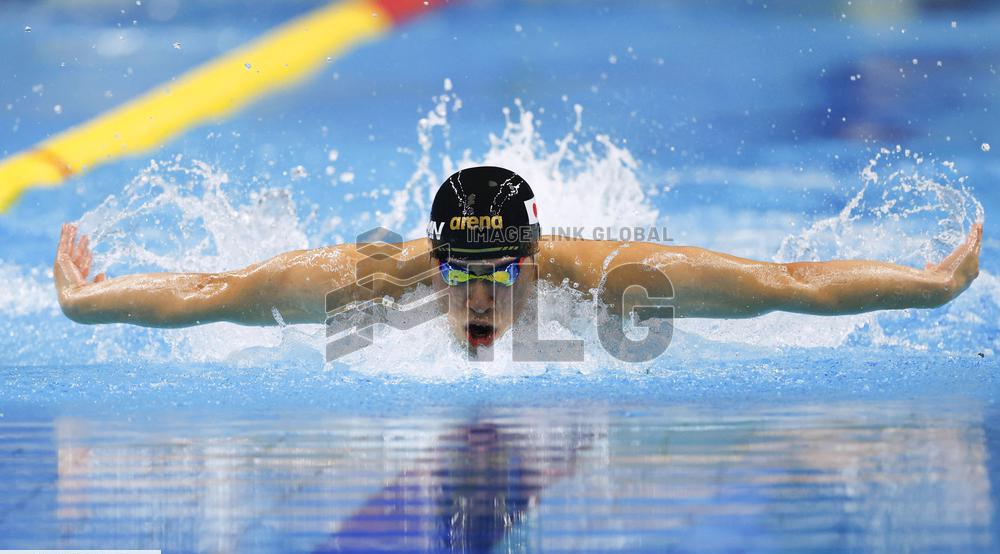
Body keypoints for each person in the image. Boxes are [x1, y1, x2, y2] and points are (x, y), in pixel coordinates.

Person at [54, 166, 983, 350]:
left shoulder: (616, 282)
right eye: (465, 272)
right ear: (436, 260)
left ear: (536, 260)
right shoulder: (366, 283)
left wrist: (933, 286)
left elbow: (788, 288)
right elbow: (211, 293)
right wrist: (87, 304)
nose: (484, 293)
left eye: (505, 270)